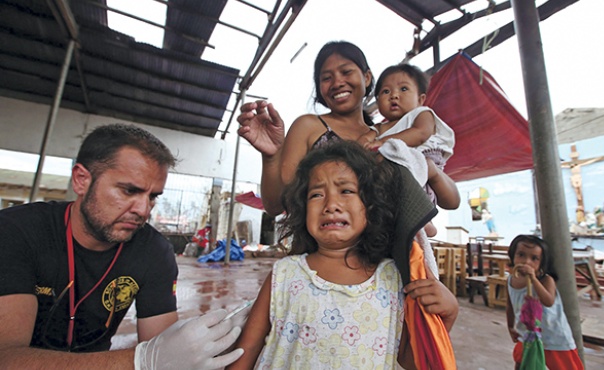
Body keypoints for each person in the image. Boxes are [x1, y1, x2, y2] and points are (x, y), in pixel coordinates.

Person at [0, 124, 243, 369]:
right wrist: (141, 360)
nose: (143, 210)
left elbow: (164, 346)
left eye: (152, 196)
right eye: (129, 191)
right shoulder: (16, 232)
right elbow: (6, 358)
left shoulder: (154, 251)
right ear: (81, 180)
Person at [227, 140, 457, 369]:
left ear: (371, 204)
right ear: (302, 208)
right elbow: (243, 355)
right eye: (316, 195)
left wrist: (447, 317)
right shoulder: (284, 274)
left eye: (346, 191)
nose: (331, 204)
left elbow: (410, 361)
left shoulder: (393, 279)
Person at [237, 41, 460, 217]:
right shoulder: (309, 126)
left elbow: (449, 198)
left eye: (346, 72)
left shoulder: (388, 139)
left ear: (367, 77)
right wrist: (271, 156)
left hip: (382, 261)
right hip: (321, 260)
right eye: (326, 78)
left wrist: (430, 169)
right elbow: (276, 206)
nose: (337, 82)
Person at [361, 64, 456, 236]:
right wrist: (363, 145)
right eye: (385, 92)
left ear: (420, 99)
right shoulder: (379, 128)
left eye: (403, 89)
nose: (394, 95)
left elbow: (420, 134)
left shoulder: (421, 114)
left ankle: (425, 220)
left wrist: (382, 142)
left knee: (417, 187)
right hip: (393, 168)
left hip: (421, 158)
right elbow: (362, 143)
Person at [505, 235, 584, 370]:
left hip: (554, 339)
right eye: (521, 255)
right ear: (513, 256)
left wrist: (533, 279)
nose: (526, 261)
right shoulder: (511, 281)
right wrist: (511, 327)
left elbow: (548, 301)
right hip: (526, 335)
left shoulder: (546, 280)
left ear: (542, 263)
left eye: (534, 258)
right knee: (524, 364)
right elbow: (510, 306)